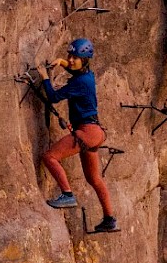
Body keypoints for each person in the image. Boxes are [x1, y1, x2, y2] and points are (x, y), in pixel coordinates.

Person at [34, 38, 117, 233]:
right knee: (94, 179)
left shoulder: (81, 82)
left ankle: (67, 194)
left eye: (75, 57)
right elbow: (76, 72)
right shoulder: (87, 76)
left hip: (86, 132)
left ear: (85, 59)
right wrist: (62, 63)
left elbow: (54, 97)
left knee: (49, 157)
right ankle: (109, 219)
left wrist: (45, 77)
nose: (71, 60)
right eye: (70, 56)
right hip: (94, 133)